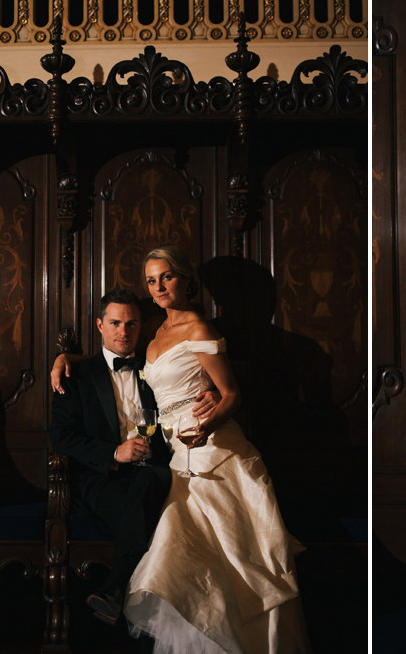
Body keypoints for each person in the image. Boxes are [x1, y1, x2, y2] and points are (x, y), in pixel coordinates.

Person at [121, 246, 310, 654]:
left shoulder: (199, 329)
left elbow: (230, 395)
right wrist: (68, 356)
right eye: (151, 280)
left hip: (207, 448)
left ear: (187, 279)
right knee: (189, 558)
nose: (158, 287)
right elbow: (117, 355)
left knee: (212, 552)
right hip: (171, 450)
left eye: (166, 277)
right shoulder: (152, 327)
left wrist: (205, 424)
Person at [50, 289, 176, 628]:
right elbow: (60, 435)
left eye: (131, 323)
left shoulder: (156, 370)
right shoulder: (75, 375)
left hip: (150, 473)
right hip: (101, 479)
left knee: (157, 478)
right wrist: (113, 453)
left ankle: (115, 590)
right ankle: (154, 625)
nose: (124, 331)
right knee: (160, 522)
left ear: (140, 327)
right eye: (116, 323)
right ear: (100, 325)